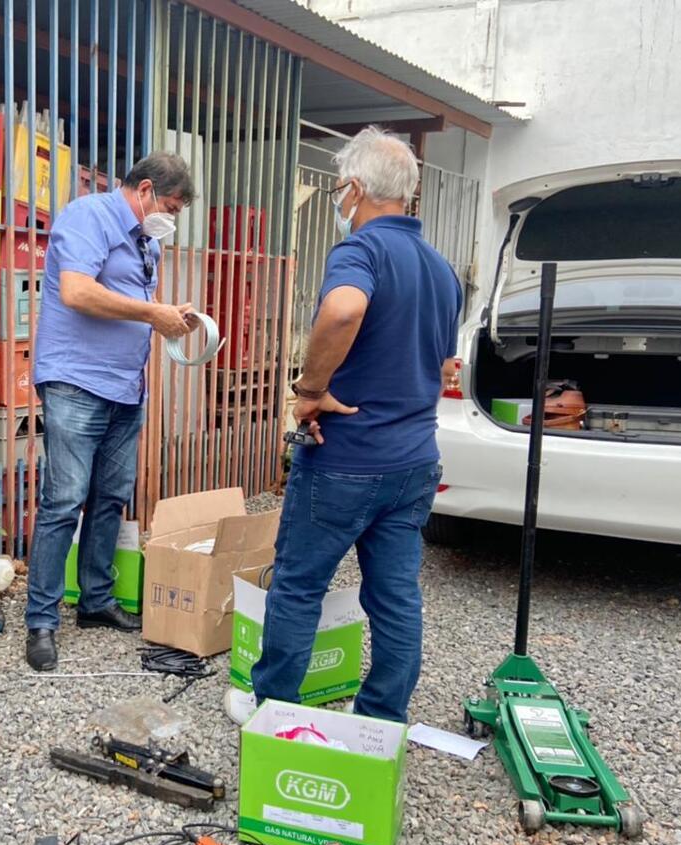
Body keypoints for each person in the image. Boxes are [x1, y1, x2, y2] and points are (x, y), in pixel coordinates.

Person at [225, 127, 462, 725]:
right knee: (396, 596)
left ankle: (272, 709)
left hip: (345, 458)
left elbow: (345, 308)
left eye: (338, 189)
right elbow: (441, 364)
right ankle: (381, 718)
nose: (339, 200)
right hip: (413, 462)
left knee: (299, 587)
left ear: (354, 189)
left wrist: (310, 390)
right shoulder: (441, 271)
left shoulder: (360, 251)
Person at [25, 152, 196, 671]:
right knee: (65, 500)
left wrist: (173, 316)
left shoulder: (148, 243)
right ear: (145, 190)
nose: (171, 217)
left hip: (125, 387)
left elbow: (132, 303)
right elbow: (76, 291)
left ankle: (95, 601)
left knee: (110, 498)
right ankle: (41, 620)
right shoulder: (88, 216)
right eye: (169, 205)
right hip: (77, 380)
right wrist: (152, 312)